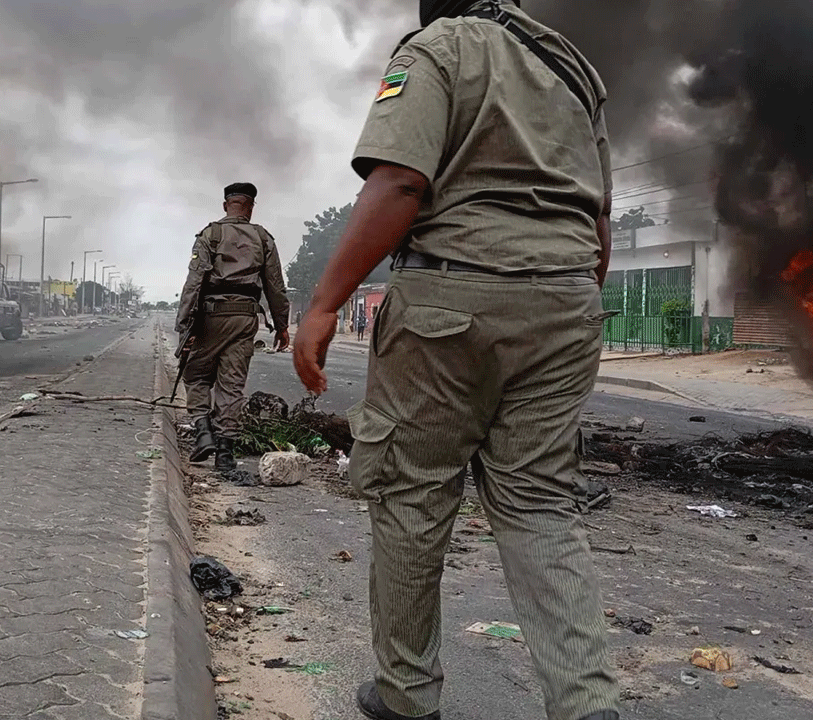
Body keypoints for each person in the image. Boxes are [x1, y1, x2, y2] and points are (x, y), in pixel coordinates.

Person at [292, 1, 618, 719]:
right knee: (539, 505)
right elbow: (598, 219)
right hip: (566, 301)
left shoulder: (437, 48)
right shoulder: (573, 67)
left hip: (451, 298)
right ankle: (586, 703)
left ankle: (407, 696)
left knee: (414, 494)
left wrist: (322, 305)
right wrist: (563, 306)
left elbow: (401, 182)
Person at [177, 182, 291, 471]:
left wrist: (184, 326)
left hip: (211, 316)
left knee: (196, 375)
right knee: (232, 384)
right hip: (245, 317)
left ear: (225, 205)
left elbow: (194, 282)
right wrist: (281, 325)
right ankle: (225, 454)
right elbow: (275, 286)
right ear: (250, 207)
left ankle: (203, 433)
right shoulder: (263, 238)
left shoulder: (210, 234)